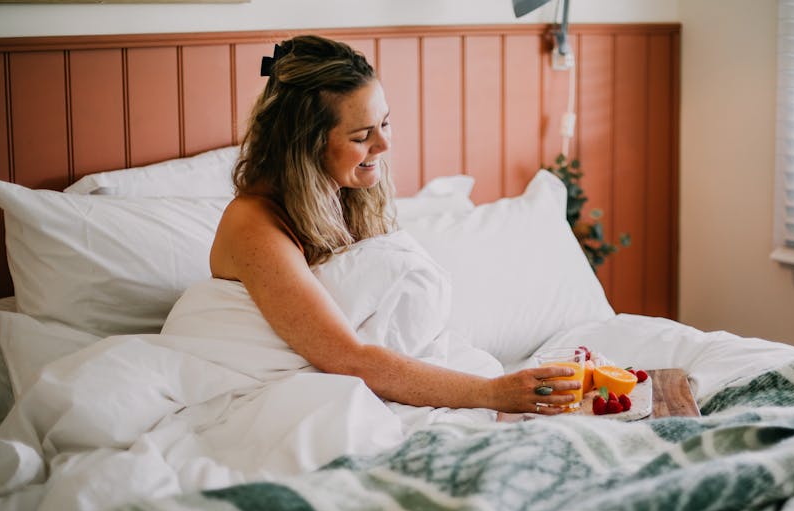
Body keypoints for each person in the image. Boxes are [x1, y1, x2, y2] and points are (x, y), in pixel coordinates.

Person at [210, 35, 577, 415]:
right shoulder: (252, 224)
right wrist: (492, 392)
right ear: (304, 145)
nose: (383, 144)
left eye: (384, 123)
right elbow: (347, 358)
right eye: (361, 136)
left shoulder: (346, 193)